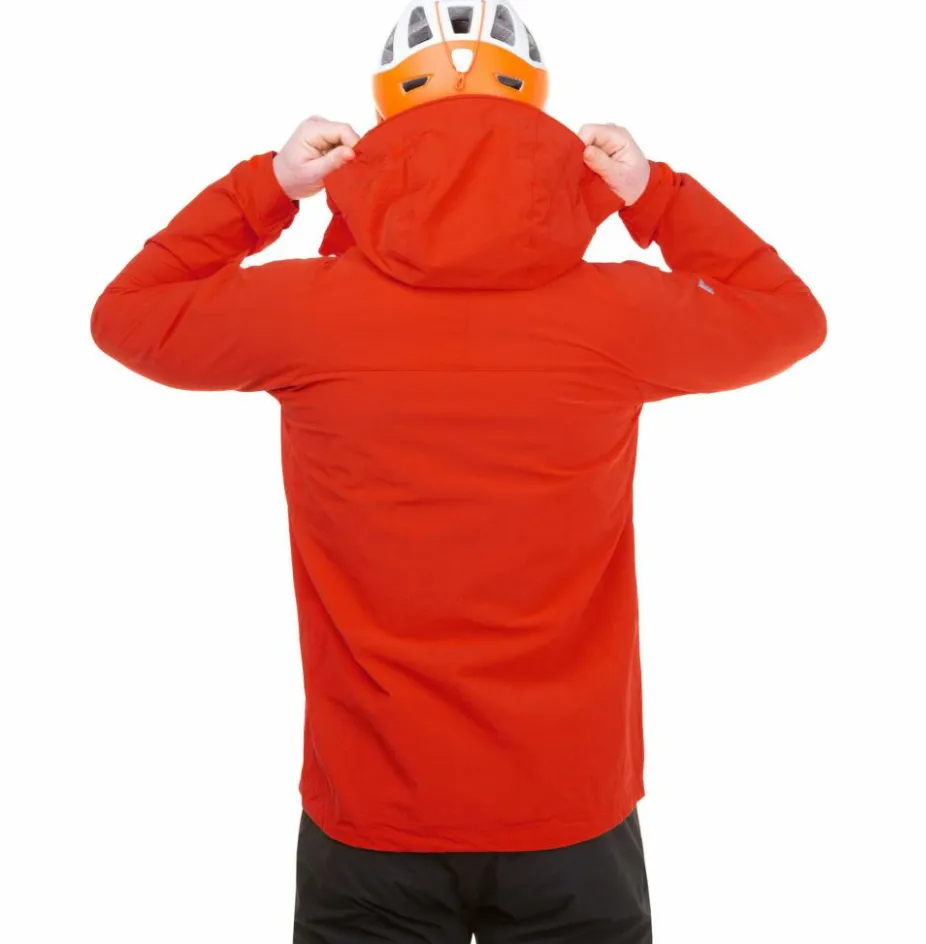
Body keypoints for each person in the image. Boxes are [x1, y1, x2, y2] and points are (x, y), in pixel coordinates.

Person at [90, 2, 827, 941]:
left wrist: (269, 186)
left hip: (373, 817)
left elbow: (128, 314)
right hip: (570, 812)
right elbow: (788, 316)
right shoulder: (615, 317)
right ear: (540, 121)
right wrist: (656, 195)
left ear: (384, 124)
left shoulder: (308, 314)